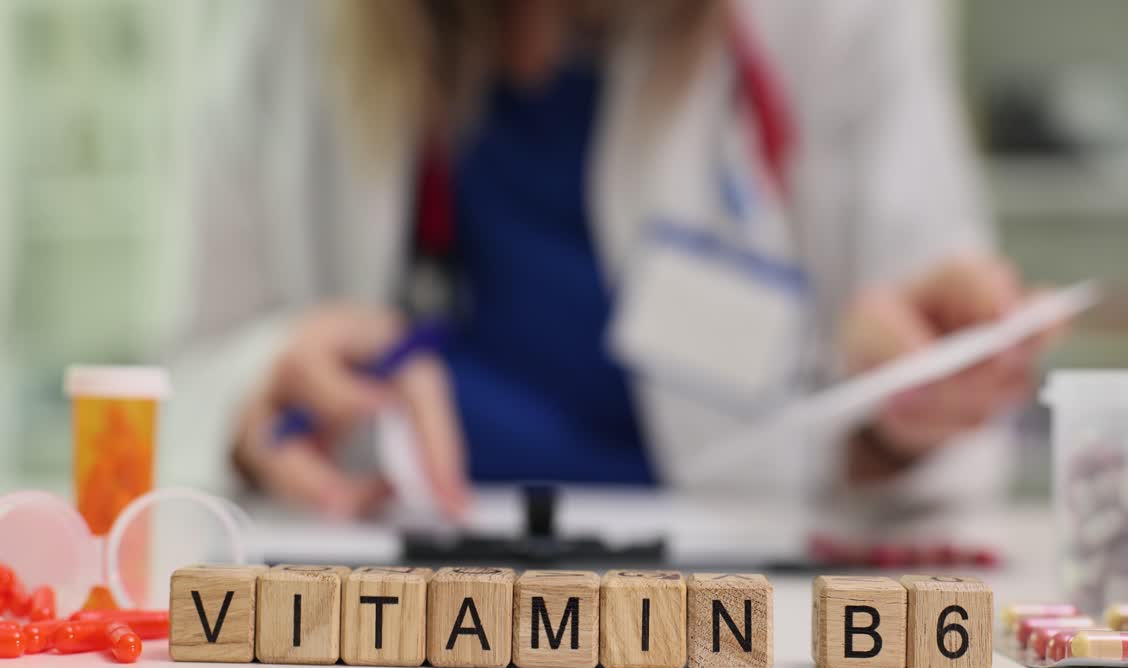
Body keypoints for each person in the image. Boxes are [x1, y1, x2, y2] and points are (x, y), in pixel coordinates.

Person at [181, 0, 1054, 521]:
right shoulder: (291, 30)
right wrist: (256, 390)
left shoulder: (828, 22)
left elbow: (936, 429)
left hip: (736, 614)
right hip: (382, 595)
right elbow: (181, 382)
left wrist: (896, 409)